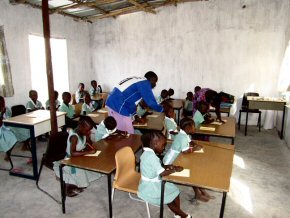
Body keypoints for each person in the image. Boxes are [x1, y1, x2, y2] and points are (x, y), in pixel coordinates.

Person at [137, 131, 191, 218]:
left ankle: (177, 213)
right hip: (150, 187)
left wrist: (167, 166)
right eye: (163, 145)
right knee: (168, 197)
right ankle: (183, 215)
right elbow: (162, 173)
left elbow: (156, 167)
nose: (164, 148)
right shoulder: (151, 156)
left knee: (175, 191)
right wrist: (175, 170)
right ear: (155, 144)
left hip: (155, 181)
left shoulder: (148, 153)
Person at [163, 118, 212, 202]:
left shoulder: (185, 134)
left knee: (194, 167)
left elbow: (190, 141)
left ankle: (200, 189)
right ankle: (198, 193)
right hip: (171, 161)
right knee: (192, 171)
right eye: (193, 127)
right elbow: (185, 151)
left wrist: (195, 144)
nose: (195, 128)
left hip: (179, 157)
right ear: (188, 128)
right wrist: (194, 149)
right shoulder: (182, 137)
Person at [53, 117, 101, 197]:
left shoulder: (83, 133)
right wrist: (88, 152)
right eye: (87, 130)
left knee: (93, 170)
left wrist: (88, 138)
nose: (88, 132)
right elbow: (72, 153)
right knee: (82, 182)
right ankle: (67, 184)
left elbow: (88, 143)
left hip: (79, 159)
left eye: (89, 130)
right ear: (80, 127)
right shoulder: (74, 136)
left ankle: (72, 182)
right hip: (70, 161)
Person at [0, 96, 17, 162]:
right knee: (13, 136)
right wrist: (2, 114)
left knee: (21, 130)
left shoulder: (6, 108)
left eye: (3, 102)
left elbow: (10, 117)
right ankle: (8, 153)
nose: (2, 104)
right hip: (1, 129)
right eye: (0, 103)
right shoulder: (2, 111)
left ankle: (24, 145)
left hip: (7, 126)